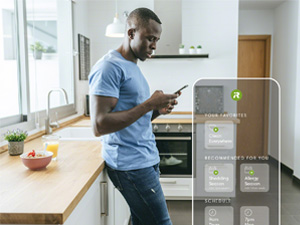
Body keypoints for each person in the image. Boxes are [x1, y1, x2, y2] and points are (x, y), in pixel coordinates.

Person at [89, 7, 180, 225]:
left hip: (144, 161)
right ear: (131, 33)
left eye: (157, 40)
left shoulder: (133, 67)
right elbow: (99, 125)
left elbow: (133, 121)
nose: (154, 46)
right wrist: (149, 103)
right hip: (131, 166)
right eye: (150, 38)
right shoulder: (109, 67)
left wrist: (156, 110)